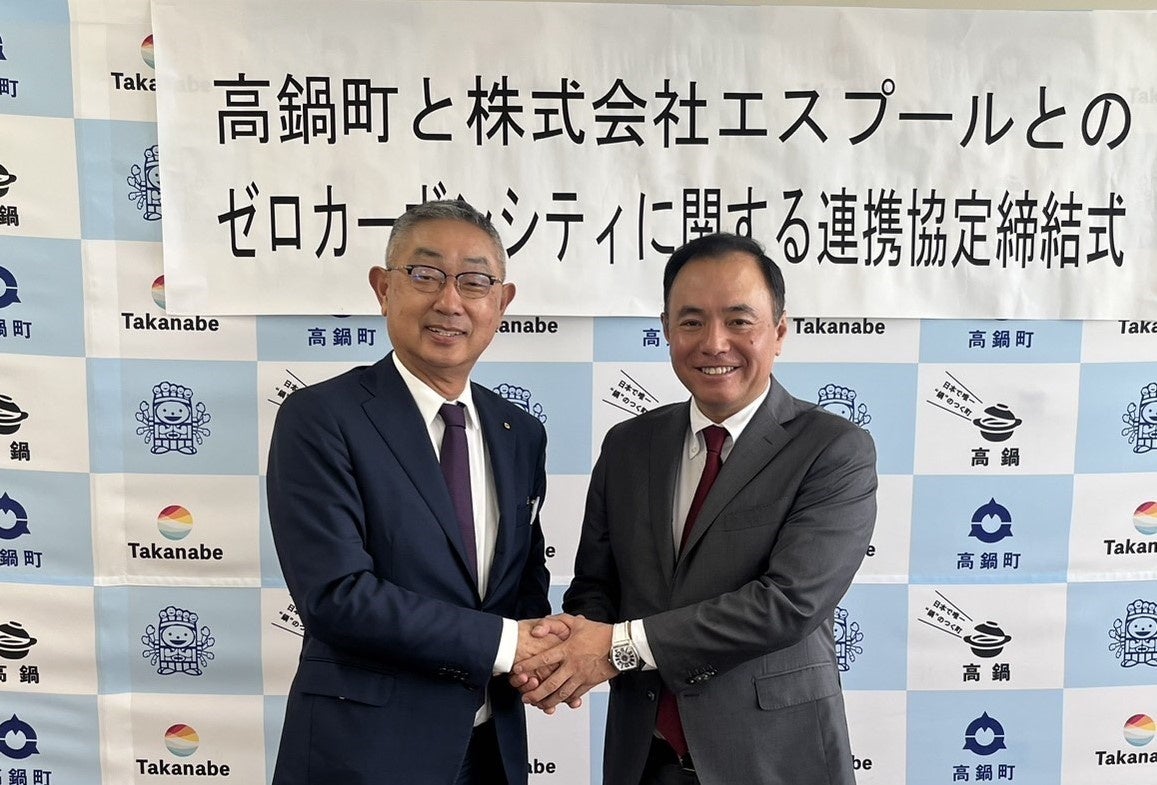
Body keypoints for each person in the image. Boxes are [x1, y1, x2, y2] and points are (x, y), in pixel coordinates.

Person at [513, 233, 878, 785]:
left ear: (779, 331)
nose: (714, 343)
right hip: (645, 757)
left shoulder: (831, 448)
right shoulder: (628, 445)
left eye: (739, 320)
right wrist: (564, 655)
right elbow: (596, 586)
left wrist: (616, 648)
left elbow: (788, 603)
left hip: (773, 759)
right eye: (691, 321)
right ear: (666, 329)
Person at [268, 199, 564, 785]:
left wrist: (545, 656)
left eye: (474, 282)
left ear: (502, 303)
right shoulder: (321, 417)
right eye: (426, 275)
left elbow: (522, 578)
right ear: (383, 289)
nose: (450, 302)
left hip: (491, 749)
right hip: (364, 754)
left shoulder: (520, 433)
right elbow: (337, 595)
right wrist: (509, 643)